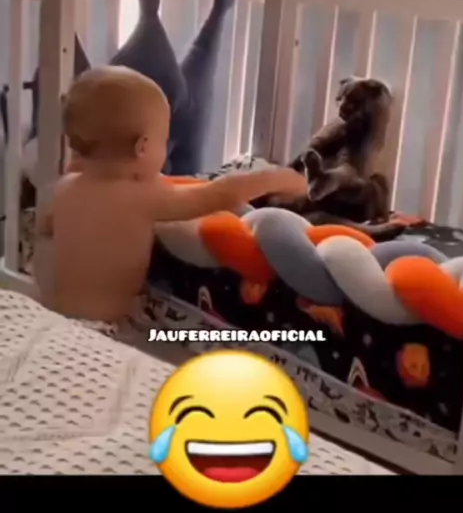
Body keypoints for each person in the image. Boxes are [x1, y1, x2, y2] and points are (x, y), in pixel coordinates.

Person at [35, 65, 308, 325]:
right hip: (104, 329)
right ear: (143, 148)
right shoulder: (143, 197)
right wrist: (275, 178)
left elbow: (45, 230)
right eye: (163, 140)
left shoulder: (63, 189)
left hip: (55, 318)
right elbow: (219, 195)